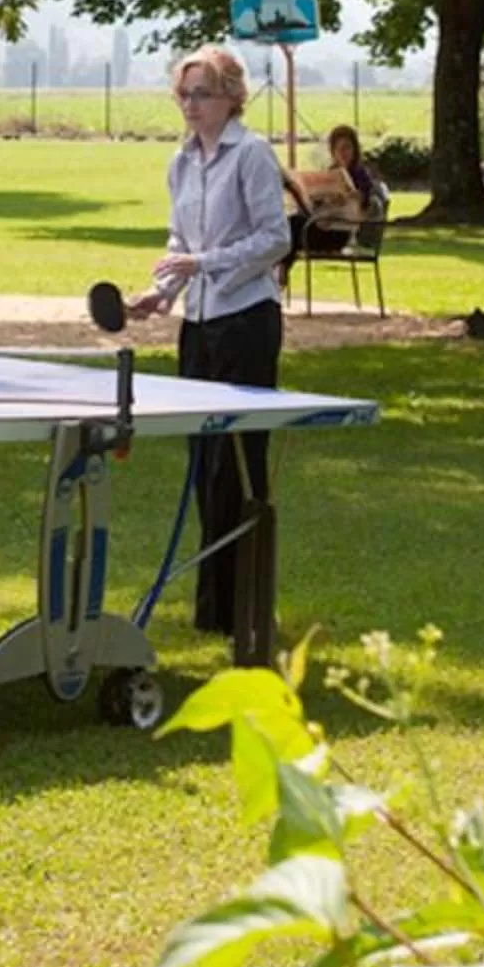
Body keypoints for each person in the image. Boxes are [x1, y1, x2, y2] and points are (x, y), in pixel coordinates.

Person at [125, 45, 287, 637]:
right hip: (198, 323)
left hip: (247, 320)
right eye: (184, 94)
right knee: (204, 465)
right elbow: (179, 241)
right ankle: (215, 611)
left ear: (231, 98)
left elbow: (274, 239)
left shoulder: (253, 155)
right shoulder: (180, 162)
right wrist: (159, 294)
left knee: (241, 466)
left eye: (203, 94)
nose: (191, 105)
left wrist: (207, 263)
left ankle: (247, 603)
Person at [282, 124, 389, 278]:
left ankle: (280, 274)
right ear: (333, 152)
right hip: (320, 227)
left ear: (355, 150)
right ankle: (281, 271)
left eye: (347, 148)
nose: (343, 153)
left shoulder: (361, 176)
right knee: (289, 224)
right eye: (338, 149)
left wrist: (355, 197)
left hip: (339, 234)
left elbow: (367, 207)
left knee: (293, 227)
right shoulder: (331, 174)